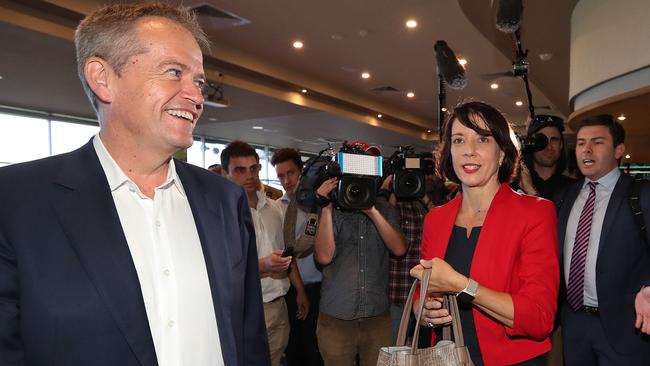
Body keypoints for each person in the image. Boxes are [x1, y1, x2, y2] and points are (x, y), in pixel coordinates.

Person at [0, 3, 270, 366]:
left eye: (200, 81)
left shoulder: (225, 200)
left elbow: (248, 337)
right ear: (103, 78)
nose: (197, 97)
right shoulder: (16, 202)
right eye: (174, 72)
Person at [410, 101, 559, 365]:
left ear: (502, 152)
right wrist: (424, 310)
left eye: (482, 139)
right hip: (447, 357)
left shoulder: (535, 213)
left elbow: (539, 317)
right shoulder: (436, 218)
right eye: (458, 140)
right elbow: (426, 292)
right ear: (449, 153)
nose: (469, 151)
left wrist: (461, 286)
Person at [555, 114, 650, 365]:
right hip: (573, 322)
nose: (586, 149)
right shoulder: (564, 197)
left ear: (619, 150)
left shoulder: (641, 195)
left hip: (625, 325)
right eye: (581, 142)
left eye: (597, 142)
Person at [222, 141, 308, 366]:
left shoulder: (275, 208)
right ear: (226, 173)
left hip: (279, 305)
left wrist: (300, 290)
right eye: (240, 170)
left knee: (277, 359)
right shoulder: (222, 215)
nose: (249, 176)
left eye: (254, 168)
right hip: (248, 308)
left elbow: (285, 254)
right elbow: (224, 269)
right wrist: (264, 265)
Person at [314, 166, 407, 366]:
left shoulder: (385, 209)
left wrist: (371, 210)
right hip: (336, 318)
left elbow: (399, 249)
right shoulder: (330, 210)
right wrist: (326, 208)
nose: (357, 186)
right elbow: (323, 256)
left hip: (377, 317)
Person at [271, 147, 324, 366]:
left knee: (317, 348)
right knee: (294, 349)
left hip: (321, 285)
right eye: (281, 176)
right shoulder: (277, 209)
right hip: (291, 288)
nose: (286, 180)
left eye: (290, 173)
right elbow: (285, 251)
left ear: (301, 171)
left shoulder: (319, 204)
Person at [517, 115, 575, 199]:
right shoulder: (516, 185)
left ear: (561, 145)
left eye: (554, 140)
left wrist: (531, 191)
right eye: (542, 140)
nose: (549, 146)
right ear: (531, 144)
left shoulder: (573, 189)